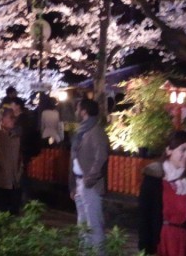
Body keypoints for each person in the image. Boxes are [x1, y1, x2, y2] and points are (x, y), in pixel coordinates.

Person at [138, 131, 186, 256]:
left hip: (184, 240)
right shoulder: (154, 178)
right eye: (183, 150)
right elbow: (144, 215)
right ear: (169, 150)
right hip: (162, 239)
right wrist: (145, 248)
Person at [71, 98, 109, 255]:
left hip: (90, 184)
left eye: (78, 109)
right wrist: (74, 184)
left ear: (84, 111)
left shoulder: (96, 131)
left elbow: (101, 157)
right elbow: (74, 158)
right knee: (83, 223)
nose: (76, 112)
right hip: (79, 181)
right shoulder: (82, 131)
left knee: (94, 224)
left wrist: (89, 180)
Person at [0, 107, 23, 215]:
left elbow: (19, 155)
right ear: (2, 119)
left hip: (15, 179)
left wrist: (20, 170)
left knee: (14, 210)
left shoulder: (15, 135)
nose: (13, 120)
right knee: (2, 209)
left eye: (14, 117)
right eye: (10, 117)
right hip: (0, 180)